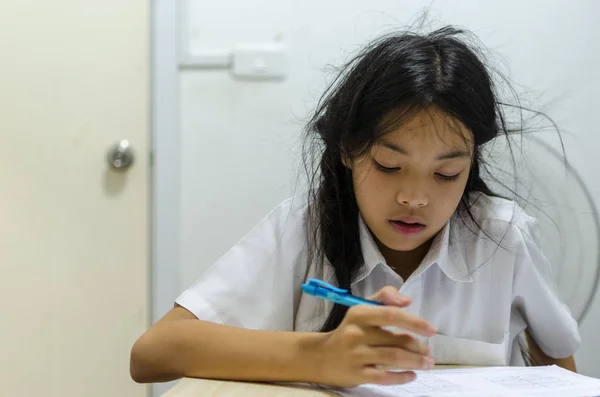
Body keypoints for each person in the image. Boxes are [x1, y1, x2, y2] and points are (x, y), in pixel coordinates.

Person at [129, 25, 580, 388]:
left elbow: (557, 359)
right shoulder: (305, 228)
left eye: (446, 174)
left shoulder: (503, 237)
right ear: (348, 149)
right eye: (388, 165)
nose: (415, 197)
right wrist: (319, 355)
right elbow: (153, 353)